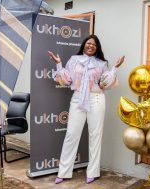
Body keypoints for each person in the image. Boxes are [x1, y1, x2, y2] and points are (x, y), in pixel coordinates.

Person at [48, 34, 125, 184]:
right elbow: (68, 79)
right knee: (71, 134)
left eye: (94, 45)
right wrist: (58, 64)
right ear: (84, 45)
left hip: (96, 98)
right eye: (88, 43)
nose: (91, 46)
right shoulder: (74, 60)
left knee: (95, 135)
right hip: (77, 99)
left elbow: (104, 83)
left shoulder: (102, 63)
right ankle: (63, 172)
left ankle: (93, 171)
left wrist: (115, 68)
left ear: (97, 48)